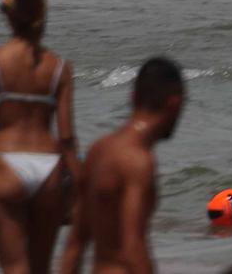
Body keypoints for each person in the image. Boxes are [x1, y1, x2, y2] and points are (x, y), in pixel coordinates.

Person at [0, 0, 77, 274]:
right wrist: (79, 188)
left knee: (14, 268)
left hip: (7, 165)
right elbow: (66, 137)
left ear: (8, 14)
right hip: (48, 166)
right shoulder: (60, 68)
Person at [57, 59, 184, 274]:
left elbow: (75, 243)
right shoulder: (139, 161)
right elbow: (132, 246)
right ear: (174, 104)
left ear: (133, 97)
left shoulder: (99, 150)